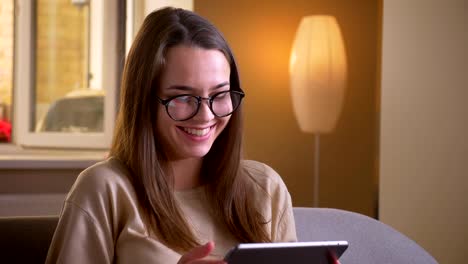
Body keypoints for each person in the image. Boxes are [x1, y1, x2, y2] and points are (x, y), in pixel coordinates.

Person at [46, 7, 297, 263]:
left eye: (220, 94)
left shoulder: (265, 188)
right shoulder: (105, 189)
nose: (206, 115)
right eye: (184, 98)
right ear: (144, 101)